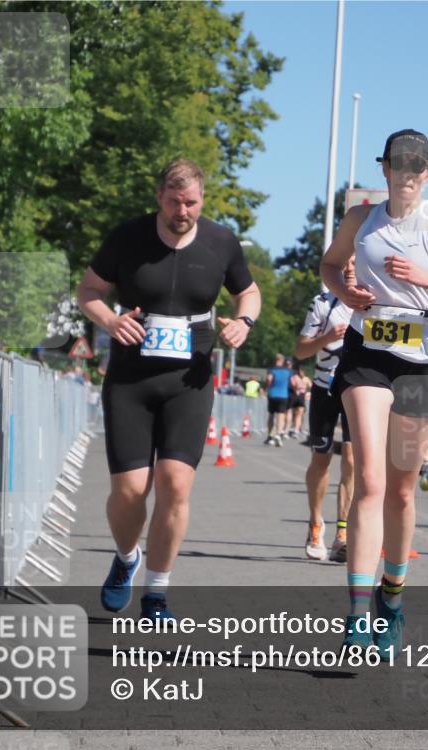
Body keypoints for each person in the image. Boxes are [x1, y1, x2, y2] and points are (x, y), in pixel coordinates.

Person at [320, 129, 428, 659]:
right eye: (400, 168)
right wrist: (344, 291)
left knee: (400, 489)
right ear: (385, 170)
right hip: (367, 355)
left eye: (418, 170)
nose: (408, 177)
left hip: (425, 361)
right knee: (370, 480)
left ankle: (391, 601)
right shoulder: (360, 219)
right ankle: (355, 616)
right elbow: (329, 264)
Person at [76, 158, 260, 620]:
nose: (183, 210)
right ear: (159, 198)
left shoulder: (221, 242)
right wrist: (110, 320)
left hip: (190, 380)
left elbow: (249, 292)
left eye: (192, 202)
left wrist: (244, 322)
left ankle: (157, 590)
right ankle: (125, 559)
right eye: (175, 202)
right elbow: (89, 291)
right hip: (132, 379)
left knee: (176, 485)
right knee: (130, 491)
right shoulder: (127, 238)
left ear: (202, 199)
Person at [294, 256, 357, 562]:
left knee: (352, 459)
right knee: (321, 459)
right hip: (324, 388)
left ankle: (342, 533)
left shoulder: (378, 302)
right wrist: (327, 338)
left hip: (358, 390)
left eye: (357, 262)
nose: (351, 268)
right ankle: (315, 522)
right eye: (347, 263)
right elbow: (301, 349)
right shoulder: (323, 303)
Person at [264, 353, 291, 446]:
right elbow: (294, 382)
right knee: (281, 415)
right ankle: (278, 434)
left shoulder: (272, 369)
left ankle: (270, 436)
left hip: (273, 394)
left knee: (271, 415)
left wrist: (267, 387)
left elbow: (269, 379)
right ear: (282, 361)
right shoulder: (288, 371)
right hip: (283, 395)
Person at [287, 364, 310, 438]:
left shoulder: (306, 379)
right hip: (295, 395)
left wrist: (306, 391)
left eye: (302, 371)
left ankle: (296, 430)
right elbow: (293, 385)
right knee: (292, 412)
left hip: (301, 396)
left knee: (299, 413)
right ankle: (288, 428)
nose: (301, 373)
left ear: (304, 372)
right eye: (300, 371)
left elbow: (311, 386)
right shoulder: (295, 377)